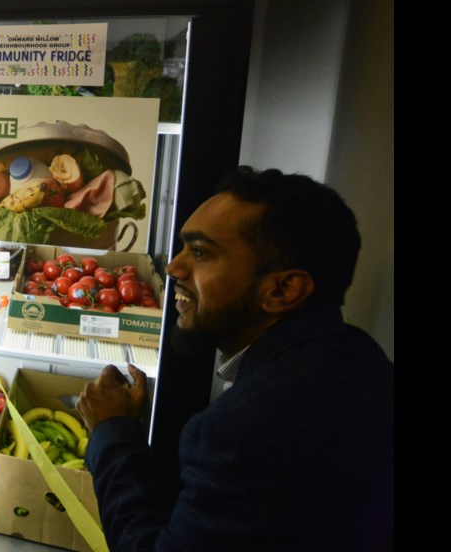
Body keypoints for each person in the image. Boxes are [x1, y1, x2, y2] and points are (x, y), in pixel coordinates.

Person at [76, 166, 394, 552]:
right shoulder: (363, 356)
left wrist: (112, 431)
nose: (174, 267)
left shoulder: (236, 434)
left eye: (200, 252)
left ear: (283, 290)